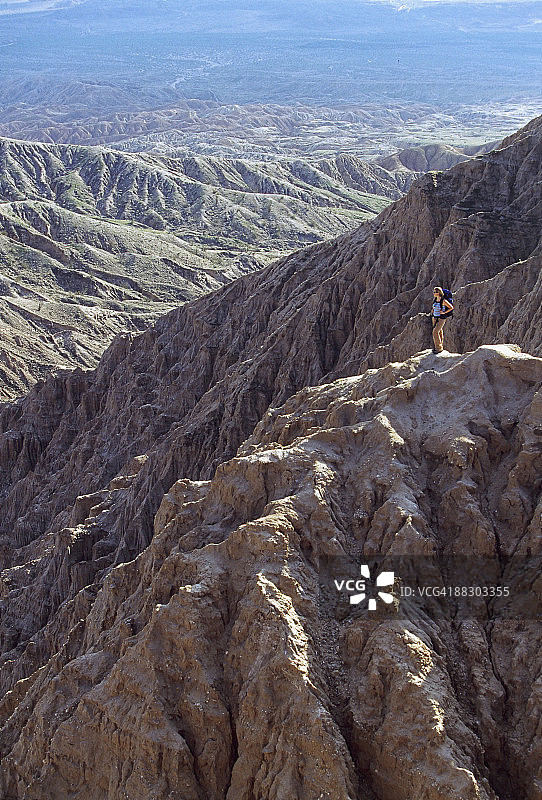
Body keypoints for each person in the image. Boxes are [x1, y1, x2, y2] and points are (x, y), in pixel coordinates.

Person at [431, 286, 453, 353]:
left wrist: (444, 312)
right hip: (435, 317)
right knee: (439, 331)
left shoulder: (443, 301)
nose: (434, 293)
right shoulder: (435, 300)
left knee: (435, 332)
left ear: (439, 293)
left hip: (441, 318)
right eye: (434, 292)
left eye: (435, 292)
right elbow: (435, 306)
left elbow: (451, 307)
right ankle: (440, 346)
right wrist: (433, 310)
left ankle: (438, 348)